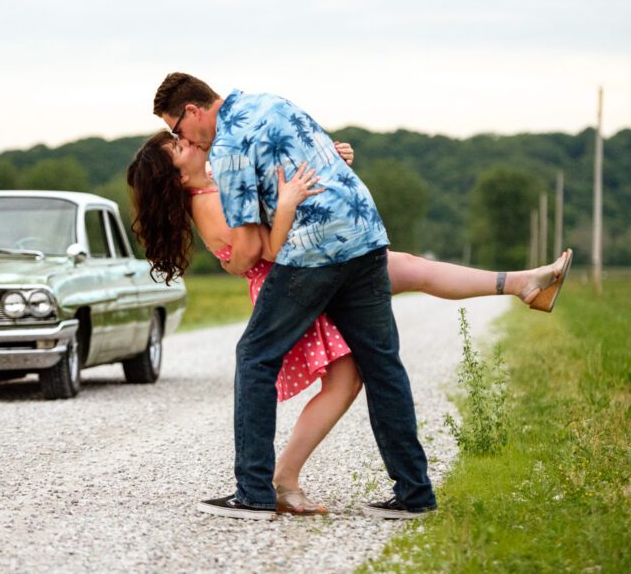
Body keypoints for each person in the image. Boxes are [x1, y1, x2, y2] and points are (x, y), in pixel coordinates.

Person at [146, 71, 566, 521]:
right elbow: (327, 159)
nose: (181, 136)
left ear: (192, 111)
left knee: (254, 356)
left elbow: (251, 247)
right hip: (365, 236)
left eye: (177, 128)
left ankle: (253, 491)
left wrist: (258, 235)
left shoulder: (227, 145)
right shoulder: (275, 102)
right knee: (382, 364)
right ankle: (414, 495)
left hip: (313, 251)